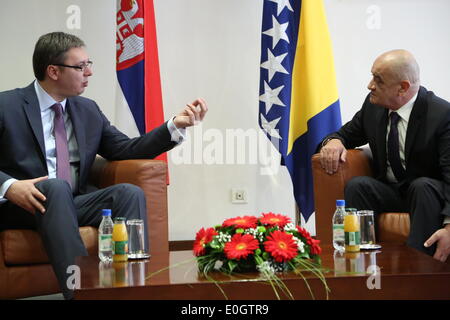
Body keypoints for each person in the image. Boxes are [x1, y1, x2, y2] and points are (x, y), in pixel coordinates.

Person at [0, 32, 208, 299]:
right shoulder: (7, 106)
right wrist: (8, 186)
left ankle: (134, 289)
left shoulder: (87, 110)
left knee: (128, 193)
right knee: (55, 188)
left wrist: (174, 125)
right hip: (22, 205)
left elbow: (125, 149)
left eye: (89, 64)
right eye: (81, 66)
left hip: (71, 202)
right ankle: (82, 293)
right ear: (53, 71)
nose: (89, 72)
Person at [318, 49, 450, 263]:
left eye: (378, 80)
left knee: (422, 186)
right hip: (393, 191)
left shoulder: (441, 114)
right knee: (358, 185)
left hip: (428, 196)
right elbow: (343, 134)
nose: (370, 85)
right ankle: (357, 264)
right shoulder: (373, 107)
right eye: (372, 76)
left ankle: (417, 270)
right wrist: (334, 141)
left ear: (403, 88)